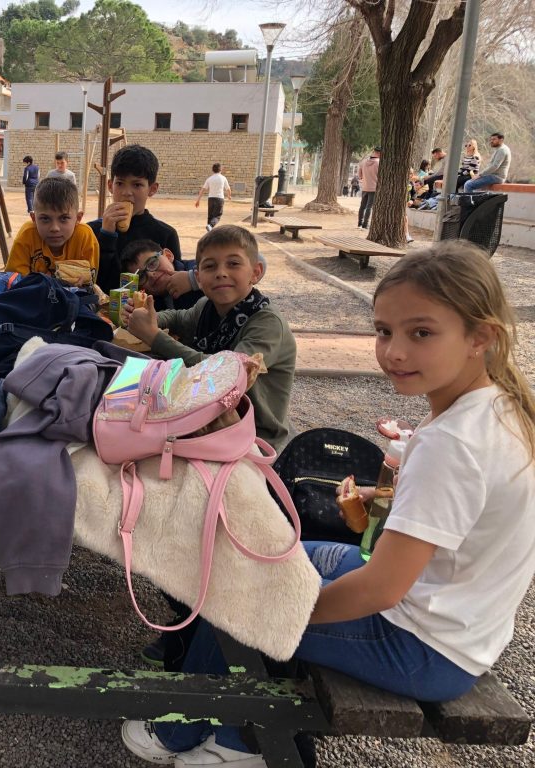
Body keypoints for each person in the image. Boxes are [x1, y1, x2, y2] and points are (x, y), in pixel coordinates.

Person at [121, 241, 535, 767]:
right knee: (256, 557)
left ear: (481, 337)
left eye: (421, 333)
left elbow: (382, 588)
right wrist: (381, 496)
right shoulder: (495, 406)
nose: (394, 352)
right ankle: (213, 720)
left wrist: (282, 613)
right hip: (461, 623)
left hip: (423, 646)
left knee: (234, 595)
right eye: (384, 331)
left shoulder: (452, 443)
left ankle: (221, 741)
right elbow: (462, 515)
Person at [123, 224, 293, 451]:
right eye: (210, 266)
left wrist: (153, 336)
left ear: (255, 272)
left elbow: (223, 374)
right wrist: (150, 317)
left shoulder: (267, 324)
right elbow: (178, 317)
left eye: (233, 264)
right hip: (206, 417)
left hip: (253, 436)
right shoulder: (207, 306)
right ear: (199, 278)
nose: (221, 272)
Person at [87, 144, 182, 294]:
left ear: (152, 189)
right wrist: (106, 236)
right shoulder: (90, 231)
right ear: (110, 186)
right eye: (120, 183)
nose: (127, 192)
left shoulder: (165, 234)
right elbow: (94, 284)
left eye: (137, 185)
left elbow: (173, 287)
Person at [5, 176, 98, 277]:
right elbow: (13, 280)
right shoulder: (27, 235)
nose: (54, 228)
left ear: (78, 218)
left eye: (64, 218)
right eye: (45, 219)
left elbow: (89, 279)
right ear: (34, 218)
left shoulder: (84, 237)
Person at [119, 238, 202, 312]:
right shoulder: (148, 302)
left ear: (168, 256)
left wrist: (193, 279)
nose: (151, 275)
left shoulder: (198, 267)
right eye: (141, 276)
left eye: (152, 263)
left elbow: (208, 273)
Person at [195, 162, 232, 232]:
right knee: (217, 215)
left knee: (210, 215)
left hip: (211, 199)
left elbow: (203, 189)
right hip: (219, 198)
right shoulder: (223, 178)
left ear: (212, 170)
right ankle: (211, 225)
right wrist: (229, 196)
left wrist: (198, 200)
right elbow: (228, 189)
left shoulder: (209, 179)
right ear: (221, 170)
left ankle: (209, 231)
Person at [358, 147, 380, 229]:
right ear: (379, 153)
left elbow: (359, 175)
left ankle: (359, 223)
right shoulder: (379, 162)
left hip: (365, 187)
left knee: (362, 206)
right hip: (374, 188)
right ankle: (365, 224)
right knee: (369, 207)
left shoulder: (363, 162)